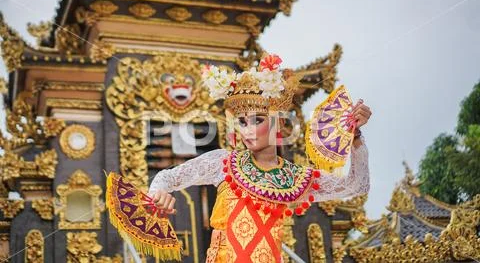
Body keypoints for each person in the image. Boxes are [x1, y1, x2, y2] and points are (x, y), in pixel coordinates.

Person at [148, 54, 371, 263]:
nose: (248, 131)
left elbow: (356, 186)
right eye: (242, 122)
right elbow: (167, 177)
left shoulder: (295, 178)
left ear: (279, 123)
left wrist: (356, 138)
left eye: (258, 121)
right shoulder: (223, 163)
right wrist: (158, 193)